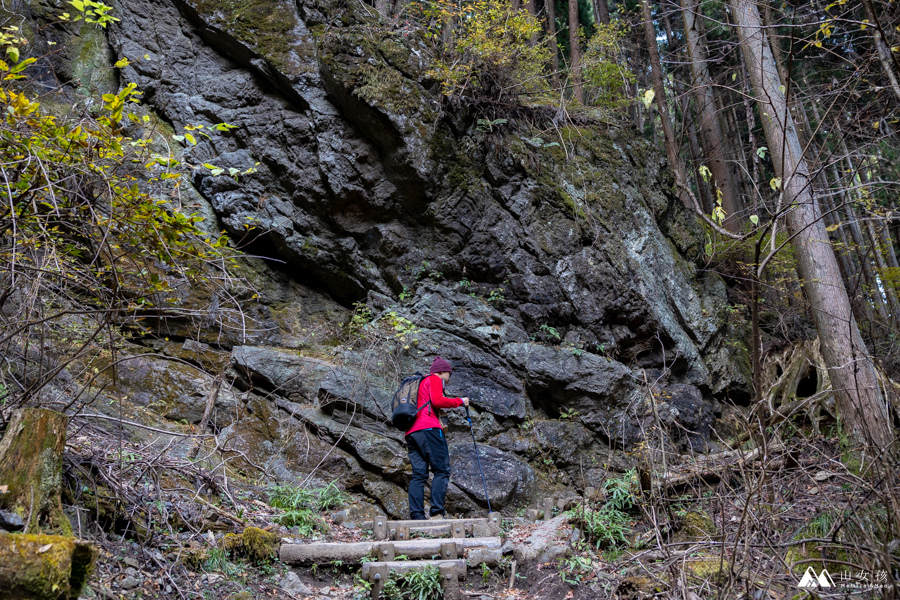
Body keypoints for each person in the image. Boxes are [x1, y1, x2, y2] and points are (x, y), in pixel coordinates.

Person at [405, 356, 470, 520]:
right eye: (449, 374)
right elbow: (438, 400)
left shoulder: (421, 384)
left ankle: (417, 515)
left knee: (419, 475)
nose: (449, 379)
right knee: (442, 470)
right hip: (428, 429)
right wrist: (460, 401)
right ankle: (436, 512)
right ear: (442, 371)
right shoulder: (434, 379)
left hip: (412, 432)